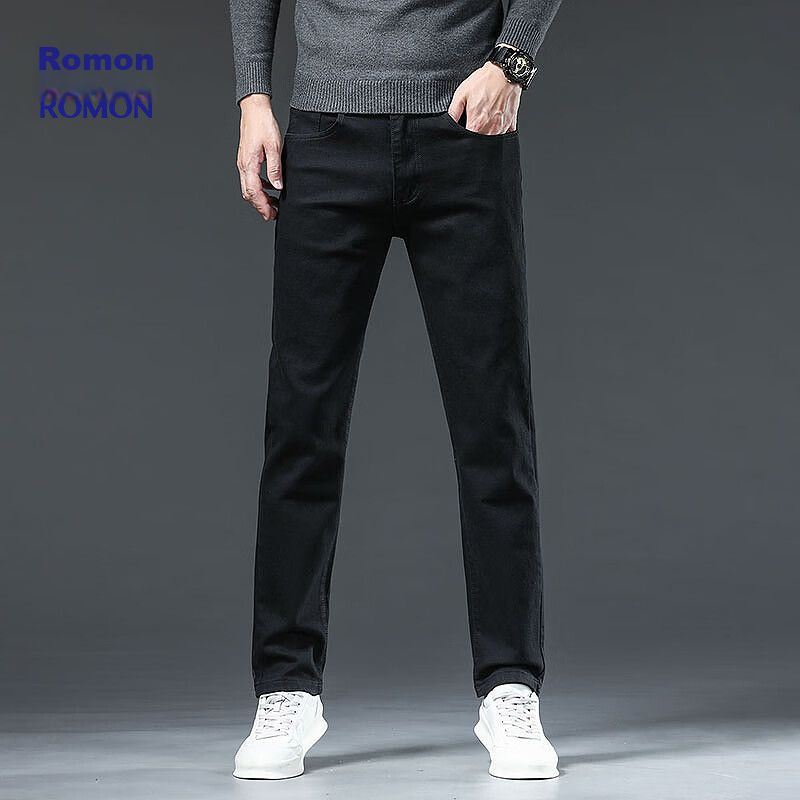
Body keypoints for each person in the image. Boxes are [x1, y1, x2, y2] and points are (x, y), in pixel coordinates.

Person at [229, 0, 563, 781]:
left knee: (494, 425)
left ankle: (511, 685)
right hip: (326, 134)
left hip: (466, 131)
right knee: (302, 425)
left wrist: (512, 61)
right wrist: (252, 96)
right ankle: (286, 687)